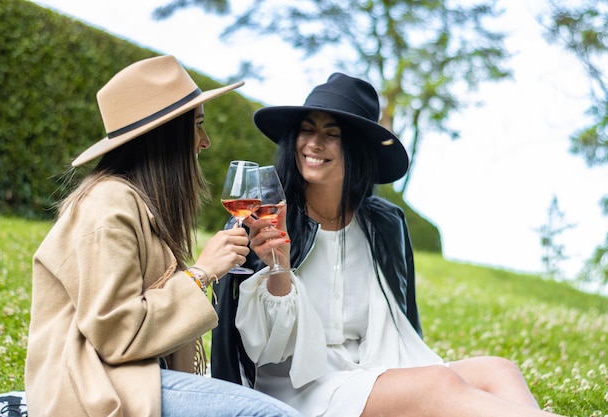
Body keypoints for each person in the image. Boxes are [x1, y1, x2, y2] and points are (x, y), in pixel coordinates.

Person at [211, 73, 568, 417]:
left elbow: (403, 320)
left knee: (499, 370)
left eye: (331, 133)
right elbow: (263, 346)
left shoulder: (383, 222)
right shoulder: (266, 217)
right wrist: (279, 265)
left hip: (368, 368)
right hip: (299, 384)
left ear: (356, 149)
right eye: (307, 130)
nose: (314, 143)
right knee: (437, 384)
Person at [24, 55, 303, 417]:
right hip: (96, 390)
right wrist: (201, 274)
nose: (205, 142)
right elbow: (116, 333)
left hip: (136, 380)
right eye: (197, 127)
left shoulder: (138, 204)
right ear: (166, 136)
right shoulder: (108, 204)